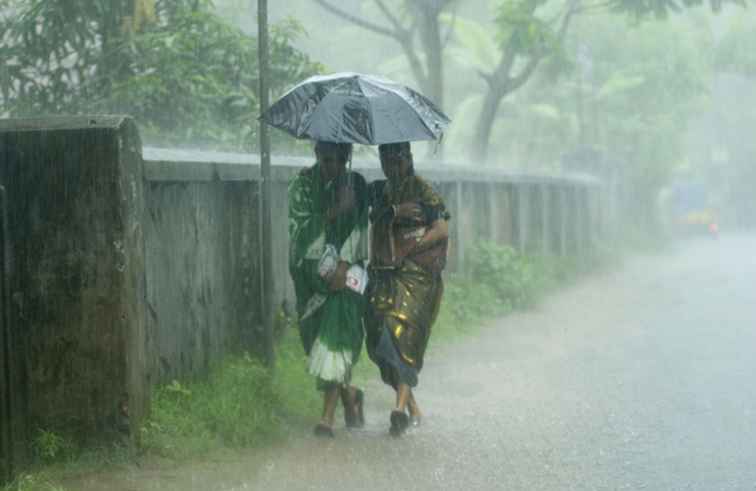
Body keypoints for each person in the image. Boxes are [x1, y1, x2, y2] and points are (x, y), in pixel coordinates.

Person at [366, 141, 450, 437]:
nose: (392, 165)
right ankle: (412, 408)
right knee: (380, 339)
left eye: (397, 159)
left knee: (403, 336)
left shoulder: (423, 189)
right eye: (386, 159)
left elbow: (441, 229)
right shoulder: (379, 190)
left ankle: (398, 410)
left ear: (408, 158)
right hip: (384, 275)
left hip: (417, 277)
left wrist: (412, 247)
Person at [288, 141, 369, 437]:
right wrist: (335, 211)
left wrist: (344, 265)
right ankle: (351, 396)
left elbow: (361, 228)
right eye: (325, 160)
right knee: (314, 344)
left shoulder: (357, 183)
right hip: (309, 279)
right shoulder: (302, 185)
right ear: (316, 155)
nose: (330, 166)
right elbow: (297, 228)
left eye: (336, 160)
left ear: (346, 157)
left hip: (347, 276)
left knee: (334, 339)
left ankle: (327, 418)